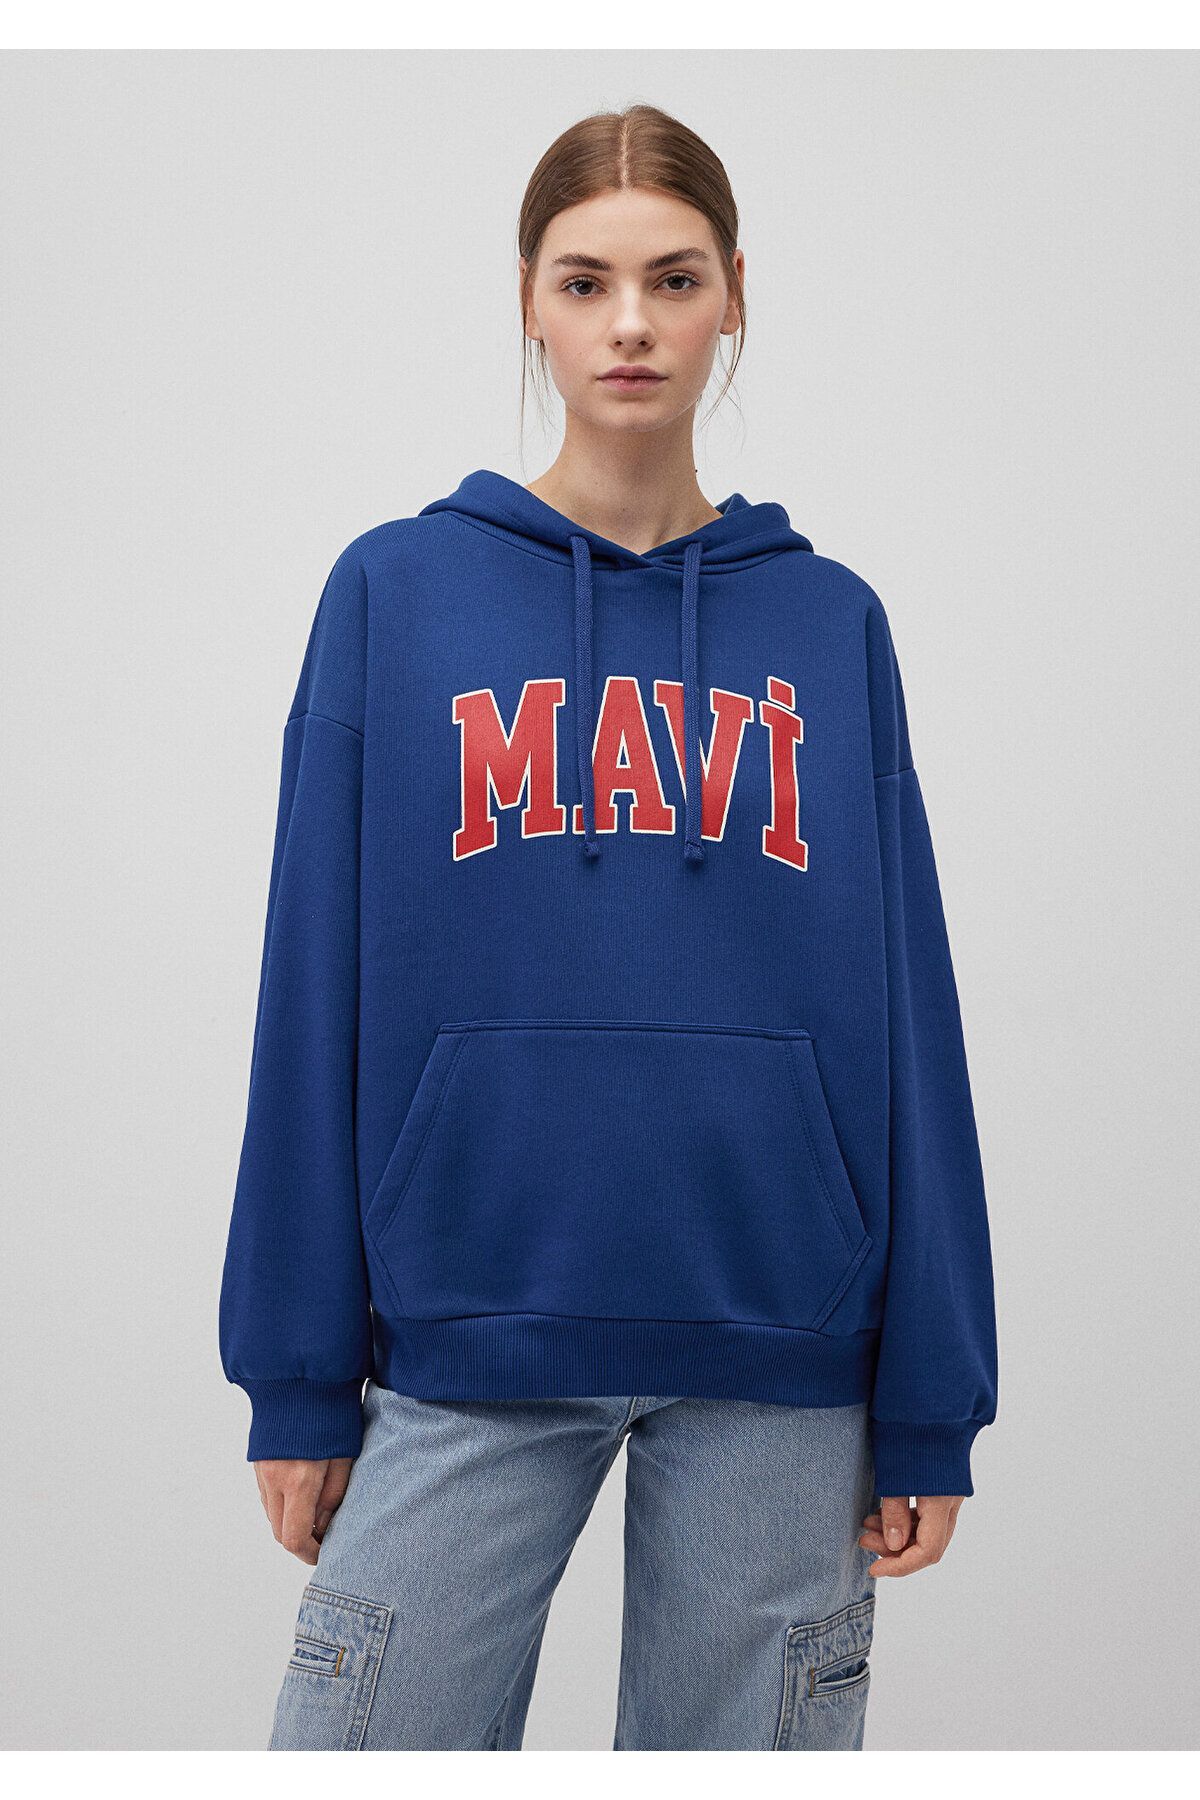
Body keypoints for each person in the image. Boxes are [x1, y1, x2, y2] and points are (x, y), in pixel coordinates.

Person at [218, 103, 998, 1753]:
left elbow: (908, 1017)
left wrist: (932, 1396)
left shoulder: (829, 625)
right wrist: (295, 1368)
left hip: (781, 1345)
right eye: (586, 281)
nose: (630, 323)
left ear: (733, 298)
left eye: (673, 278)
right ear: (528, 299)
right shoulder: (395, 596)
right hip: (469, 1323)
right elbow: (310, 988)